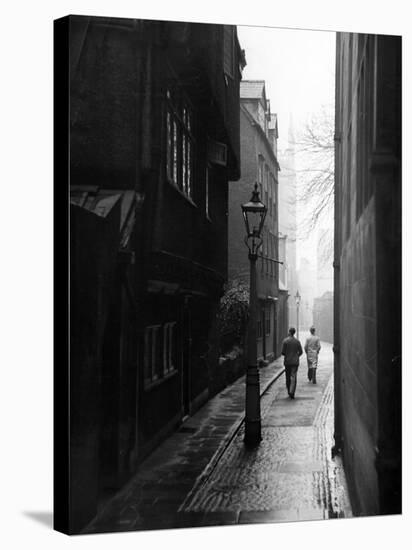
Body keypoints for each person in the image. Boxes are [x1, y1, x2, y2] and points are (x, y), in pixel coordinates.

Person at [281, 327, 303, 399]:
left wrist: (287, 355)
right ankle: (292, 391)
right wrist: (296, 356)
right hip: (295, 362)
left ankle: (288, 390)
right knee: (293, 377)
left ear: (289, 332)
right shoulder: (297, 341)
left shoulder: (285, 341)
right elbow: (301, 352)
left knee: (287, 377)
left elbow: (283, 352)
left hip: (287, 362)